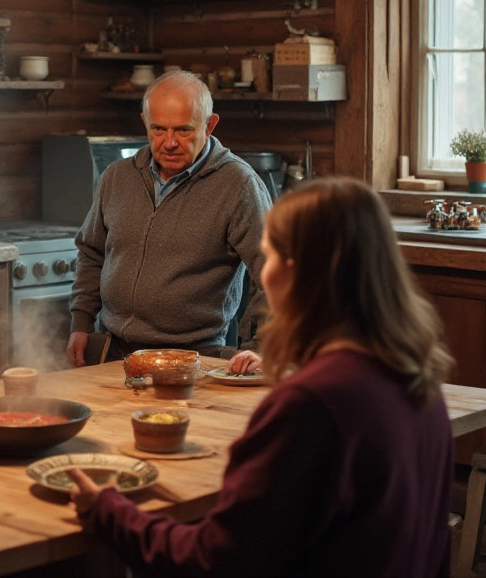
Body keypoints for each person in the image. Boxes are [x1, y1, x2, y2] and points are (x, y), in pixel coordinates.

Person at [67, 178, 456, 577]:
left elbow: (215, 560)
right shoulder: (416, 379)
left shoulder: (314, 403)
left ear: (298, 273)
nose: (263, 278)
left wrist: (108, 510)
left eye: (268, 259)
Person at [67, 71, 270, 373]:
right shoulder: (117, 177)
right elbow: (92, 253)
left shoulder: (238, 185)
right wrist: (81, 322)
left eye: (183, 130)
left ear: (209, 124)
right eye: (158, 129)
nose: (169, 142)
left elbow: (275, 273)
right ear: (144, 122)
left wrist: (261, 346)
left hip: (195, 360)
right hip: (112, 355)